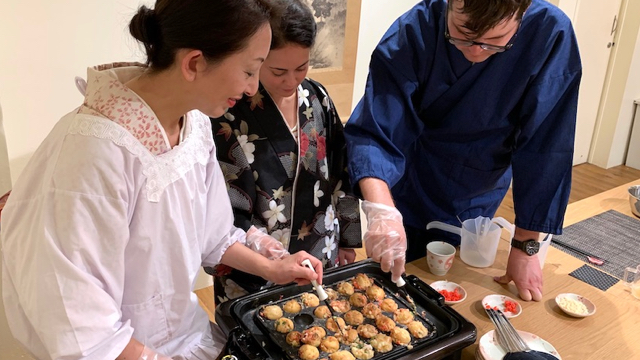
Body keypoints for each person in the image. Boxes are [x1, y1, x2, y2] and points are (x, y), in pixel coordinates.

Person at [0, 1, 324, 359]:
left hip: (184, 334)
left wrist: (273, 266)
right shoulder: (91, 154)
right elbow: (81, 328)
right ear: (194, 63)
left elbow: (212, 234)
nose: (251, 88)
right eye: (250, 71)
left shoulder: (194, 124)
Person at [345, 0, 581, 302]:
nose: (475, 51)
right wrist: (382, 212)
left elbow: (547, 147)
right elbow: (376, 127)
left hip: (480, 181)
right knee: (399, 286)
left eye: (495, 43)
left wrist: (525, 246)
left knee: (460, 289)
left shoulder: (549, 33)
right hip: (414, 177)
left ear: (522, 14)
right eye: (461, 35)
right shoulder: (417, 29)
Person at [207, 0, 361, 304]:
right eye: (278, 71)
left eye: (301, 67)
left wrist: (348, 237)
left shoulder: (317, 98)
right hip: (255, 267)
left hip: (319, 254)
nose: (291, 81)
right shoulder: (227, 115)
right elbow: (219, 209)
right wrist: (268, 254)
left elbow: (342, 170)